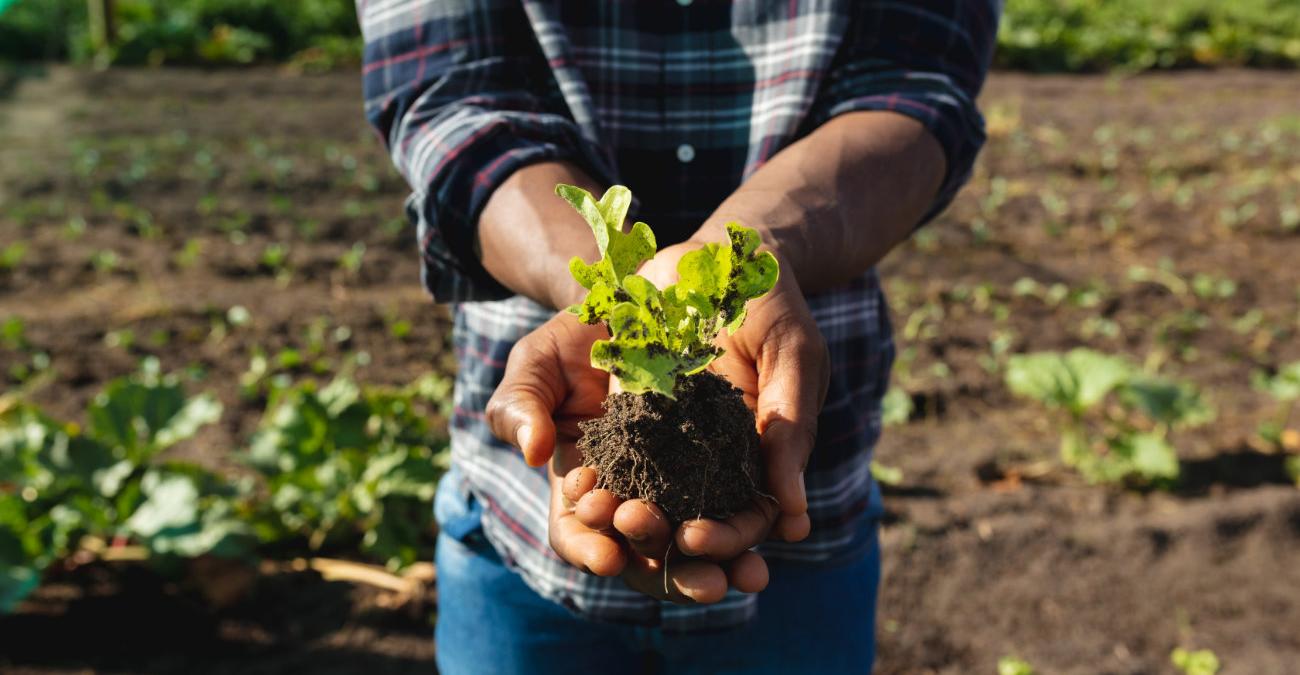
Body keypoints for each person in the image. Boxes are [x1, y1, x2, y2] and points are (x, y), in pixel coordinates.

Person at [359, 1, 997, 672]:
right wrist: (605, 295)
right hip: (513, 538)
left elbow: (916, 85)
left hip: (807, 531)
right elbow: (452, 98)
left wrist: (752, 251)